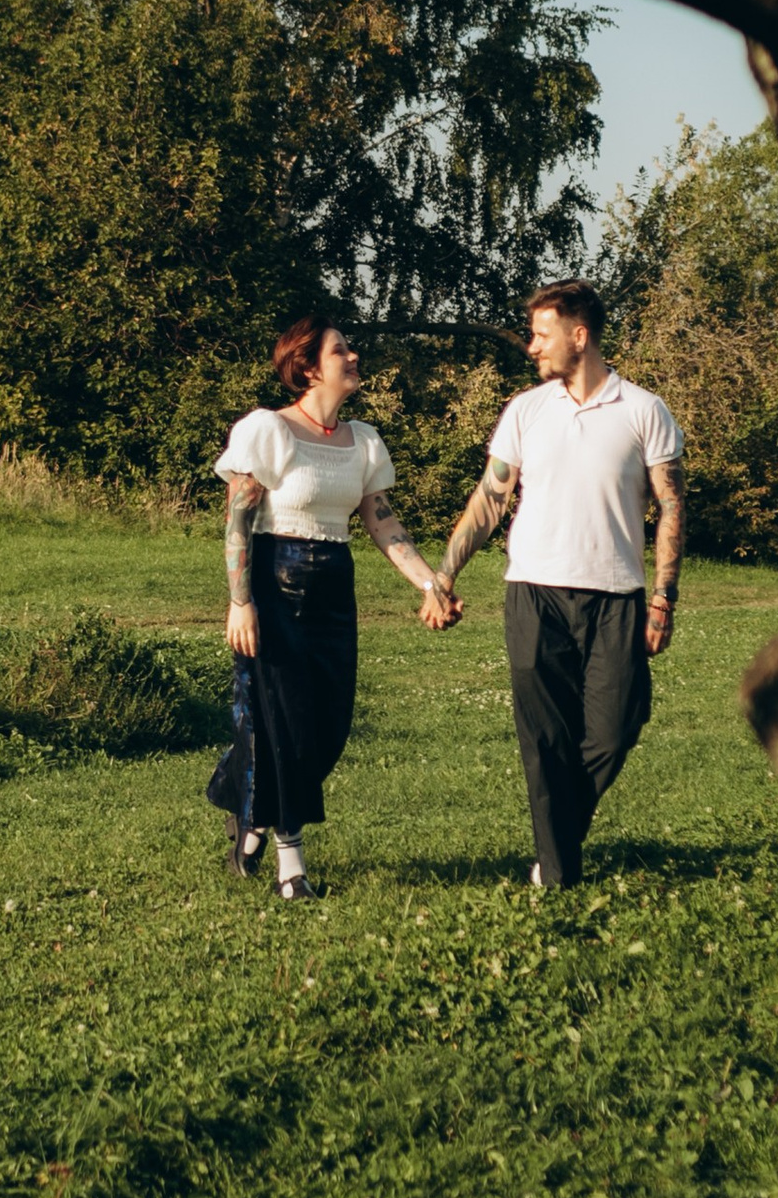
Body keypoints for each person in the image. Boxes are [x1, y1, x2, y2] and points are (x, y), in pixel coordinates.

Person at [439, 279, 683, 891]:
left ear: (580, 336)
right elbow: (491, 499)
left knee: (616, 727)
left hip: (617, 596)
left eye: (542, 335)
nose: (532, 347)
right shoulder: (526, 409)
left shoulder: (644, 410)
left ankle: (556, 843)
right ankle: (557, 874)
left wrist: (663, 594)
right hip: (533, 593)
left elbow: (672, 506)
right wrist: (445, 572)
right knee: (545, 741)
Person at [208, 314, 456, 901]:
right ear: (310, 366)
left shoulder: (364, 440)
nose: (354, 357)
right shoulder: (269, 430)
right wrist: (240, 602)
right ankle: (291, 867)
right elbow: (238, 519)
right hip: (274, 583)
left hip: (333, 588)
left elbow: (381, 520)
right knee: (284, 719)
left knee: (328, 723)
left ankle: (251, 812)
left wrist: (429, 584)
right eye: (341, 350)